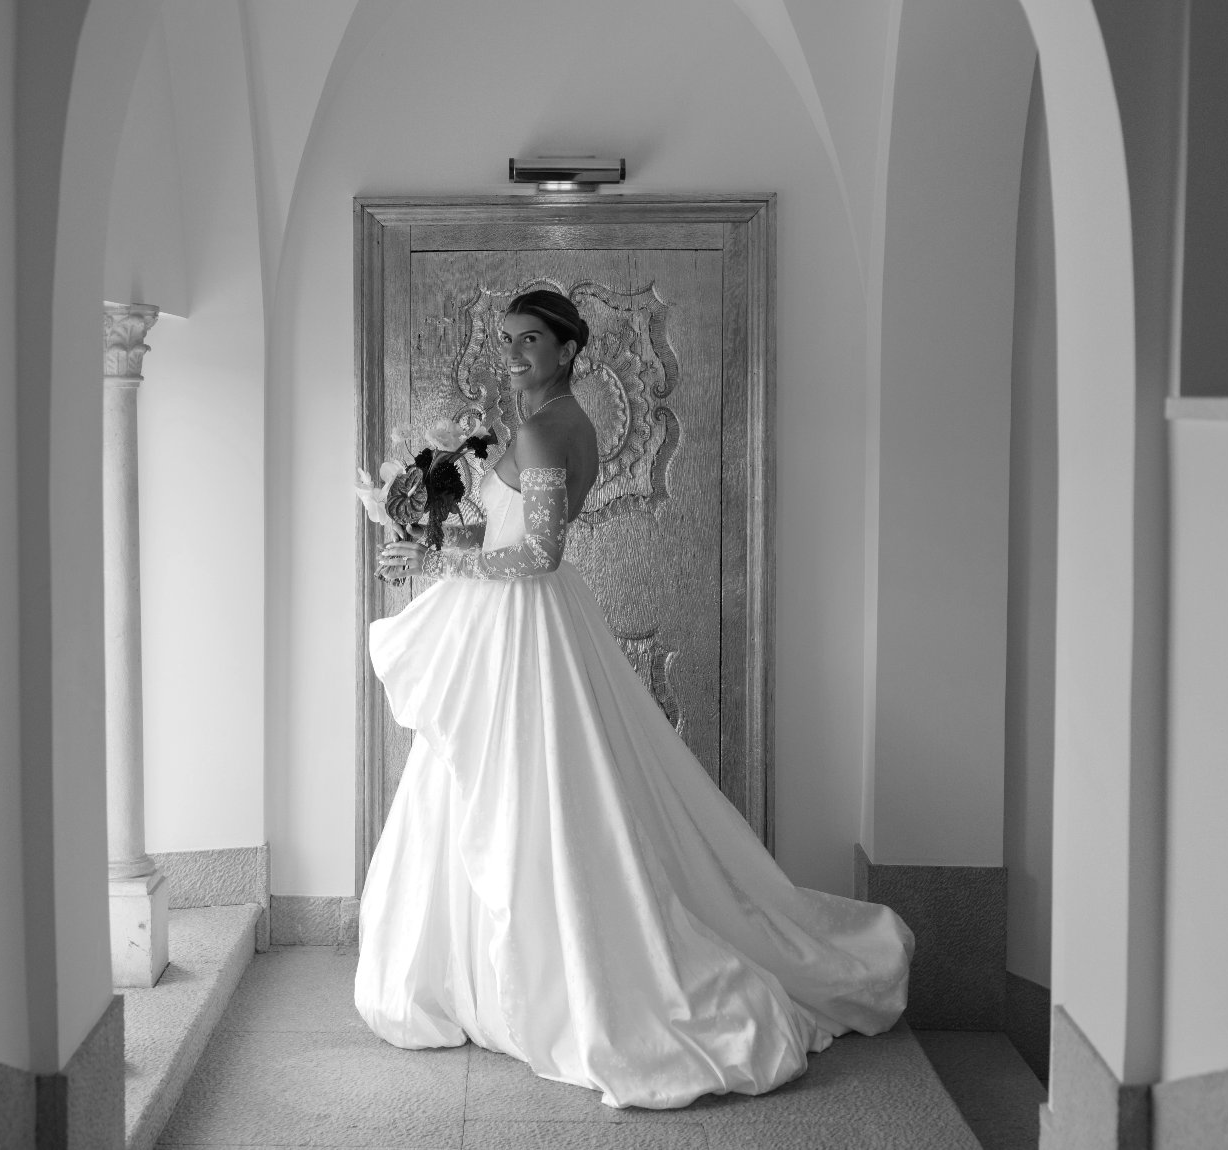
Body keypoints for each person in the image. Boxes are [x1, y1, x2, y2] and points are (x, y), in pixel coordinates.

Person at [356, 288, 913, 1110]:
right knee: (497, 783)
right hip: (516, 624)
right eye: (506, 339)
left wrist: (439, 559)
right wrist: (432, 532)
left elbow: (539, 554)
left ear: (568, 350)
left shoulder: (546, 429)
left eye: (530, 340)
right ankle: (490, 965)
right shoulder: (556, 421)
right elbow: (512, 535)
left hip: (524, 629)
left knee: (513, 784)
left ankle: (550, 975)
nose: (513, 353)